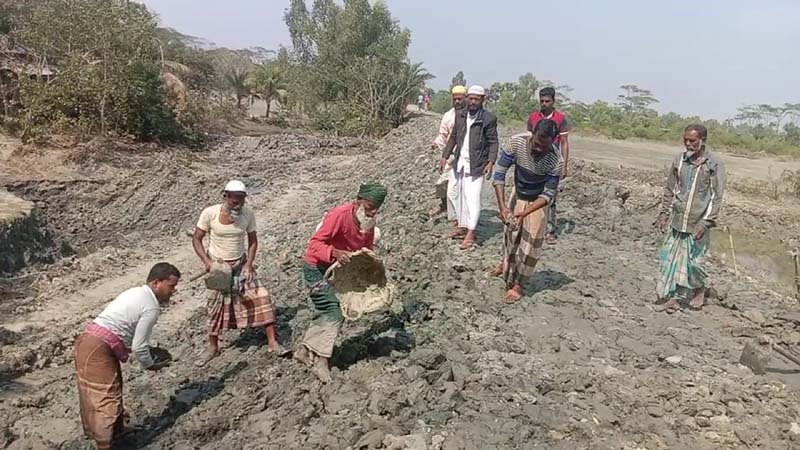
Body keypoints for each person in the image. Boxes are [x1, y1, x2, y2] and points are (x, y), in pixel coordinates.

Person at [74, 262, 180, 450]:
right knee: (107, 398)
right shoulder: (151, 307)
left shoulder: (136, 292)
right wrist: (150, 364)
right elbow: (139, 347)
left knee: (103, 390)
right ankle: (105, 445)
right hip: (99, 348)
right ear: (157, 282)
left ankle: (117, 432)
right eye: (171, 286)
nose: (173, 291)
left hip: (88, 341)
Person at [294, 183, 387, 383]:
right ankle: (322, 361)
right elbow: (315, 244)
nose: (373, 211)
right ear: (359, 200)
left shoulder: (368, 220)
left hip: (340, 271)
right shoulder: (339, 215)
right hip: (316, 268)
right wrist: (334, 253)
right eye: (370, 206)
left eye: (376, 208)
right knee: (334, 310)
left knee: (331, 310)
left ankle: (304, 350)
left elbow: (366, 247)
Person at [192, 180, 284, 365]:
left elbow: (252, 241)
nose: (238, 204)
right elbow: (197, 239)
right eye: (235, 201)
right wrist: (208, 262)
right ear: (225, 197)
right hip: (219, 267)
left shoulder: (247, 214)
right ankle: (213, 347)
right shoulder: (210, 213)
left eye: (241, 200)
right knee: (214, 306)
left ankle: (273, 342)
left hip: (240, 264)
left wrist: (249, 265)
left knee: (262, 296)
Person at [655, 124, 726, 313]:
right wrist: (664, 214)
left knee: (694, 263)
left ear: (702, 141)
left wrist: (705, 222)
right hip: (678, 220)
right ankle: (673, 297)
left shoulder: (713, 164)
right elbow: (670, 189)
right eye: (685, 140)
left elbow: (716, 196)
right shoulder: (679, 161)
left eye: (692, 141)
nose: (688, 144)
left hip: (698, 224)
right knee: (671, 259)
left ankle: (699, 288)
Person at [491, 120, 563, 303]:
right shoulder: (515, 143)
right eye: (537, 144)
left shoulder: (556, 160)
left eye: (545, 146)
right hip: (518, 193)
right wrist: (503, 207)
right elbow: (499, 174)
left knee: (531, 245)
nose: (539, 149)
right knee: (511, 237)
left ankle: (519, 285)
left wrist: (525, 212)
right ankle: (505, 267)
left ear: (552, 142)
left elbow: (547, 195)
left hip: (538, 201)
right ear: (532, 133)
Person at [440, 85, 499, 249]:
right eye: (470, 98)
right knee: (460, 196)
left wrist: (491, 161)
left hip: (477, 164)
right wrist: (445, 156)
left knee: (472, 199)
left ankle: (471, 233)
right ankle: (462, 226)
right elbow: (453, 137)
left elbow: (493, 141)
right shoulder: (460, 115)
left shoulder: (488, 119)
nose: (472, 102)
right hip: (460, 162)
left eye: (476, 99)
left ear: (482, 100)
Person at [527, 87, 570, 245]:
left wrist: (564, 165)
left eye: (547, 101)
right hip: (534, 162)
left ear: (553, 101)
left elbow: (564, 143)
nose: (544, 104)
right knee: (532, 194)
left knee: (551, 198)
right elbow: (528, 140)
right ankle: (533, 226)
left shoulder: (560, 119)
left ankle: (550, 231)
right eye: (542, 101)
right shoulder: (533, 118)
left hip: (552, 163)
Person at [429, 85, 467, 218]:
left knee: (462, 187)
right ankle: (444, 206)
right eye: (455, 99)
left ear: (465, 98)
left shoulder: (471, 115)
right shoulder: (448, 116)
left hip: (467, 156)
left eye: (460, 99)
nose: (457, 102)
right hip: (451, 156)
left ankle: (461, 214)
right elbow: (444, 135)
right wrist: (436, 143)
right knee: (442, 183)